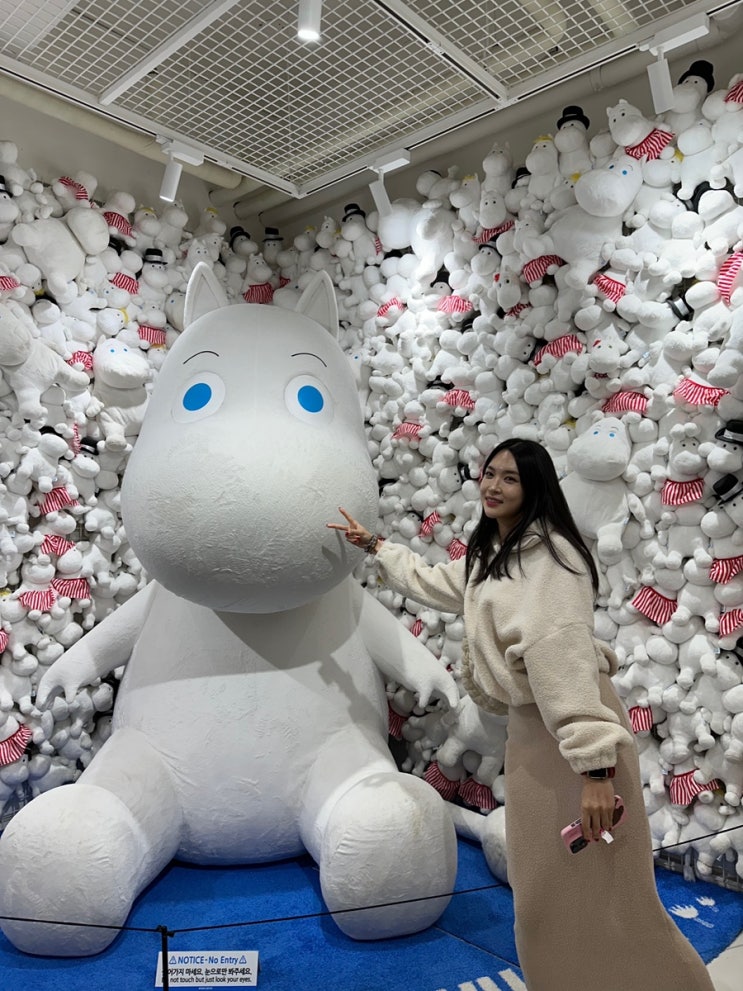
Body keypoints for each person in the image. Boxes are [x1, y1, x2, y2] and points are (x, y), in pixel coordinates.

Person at [328, 437, 714, 991]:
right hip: (535, 735)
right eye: (490, 473)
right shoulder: (496, 552)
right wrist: (375, 546)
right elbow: (441, 584)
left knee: (607, 894)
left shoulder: (551, 561)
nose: (493, 485)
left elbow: (563, 662)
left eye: (510, 478)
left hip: (572, 737)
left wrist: (597, 771)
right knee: (545, 893)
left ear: (534, 488)